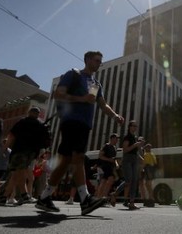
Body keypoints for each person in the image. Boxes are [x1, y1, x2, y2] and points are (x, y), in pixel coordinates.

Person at [36, 50, 124, 216]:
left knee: (64, 162)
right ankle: (85, 199)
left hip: (84, 124)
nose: (99, 63)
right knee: (78, 157)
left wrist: (115, 115)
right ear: (87, 60)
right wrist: (82, 99)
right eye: (97, 60)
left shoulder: (96, 84)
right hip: (72, 121)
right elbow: (58, 94)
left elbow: (103, 104)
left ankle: (45, 197)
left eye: (100, 61)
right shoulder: (74, 74)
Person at [0, 107, 48, 205]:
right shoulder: (41, 125)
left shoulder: (22, 122)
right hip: (32, 153)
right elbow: (44, 143)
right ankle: (4, 197)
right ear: (38, 114)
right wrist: (38, 156)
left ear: (29, 112)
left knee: (19, 172)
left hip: (20, 150)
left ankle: (24, 195)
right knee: (16, 173)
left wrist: (4, 148)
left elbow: (11, 135)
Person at [122, 121, 144, 210]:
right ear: (129, 127)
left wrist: (139, 147)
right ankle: (115, 194)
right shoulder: (127, 137)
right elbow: (125, 150)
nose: (135, 127)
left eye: (136, 126)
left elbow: (139, 153)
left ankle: (132, 202)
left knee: (135, 180)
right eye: (133, 126)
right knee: (129, 179)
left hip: (134, 159)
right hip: (127, 159)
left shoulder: (135, 138)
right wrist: (135, 145)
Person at [96, 133, 119, 203]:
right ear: (112, 139)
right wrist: (109, 160)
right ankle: (103, 197)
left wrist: (116, 164)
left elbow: (114, 159)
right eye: (116, 138)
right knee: (110, 179)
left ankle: (99, 198)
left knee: (104, 181)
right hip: (106, 166)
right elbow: (100, 156)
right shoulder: (106, 146)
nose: (117, 140)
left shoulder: (114, 148)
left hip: (111, 166)